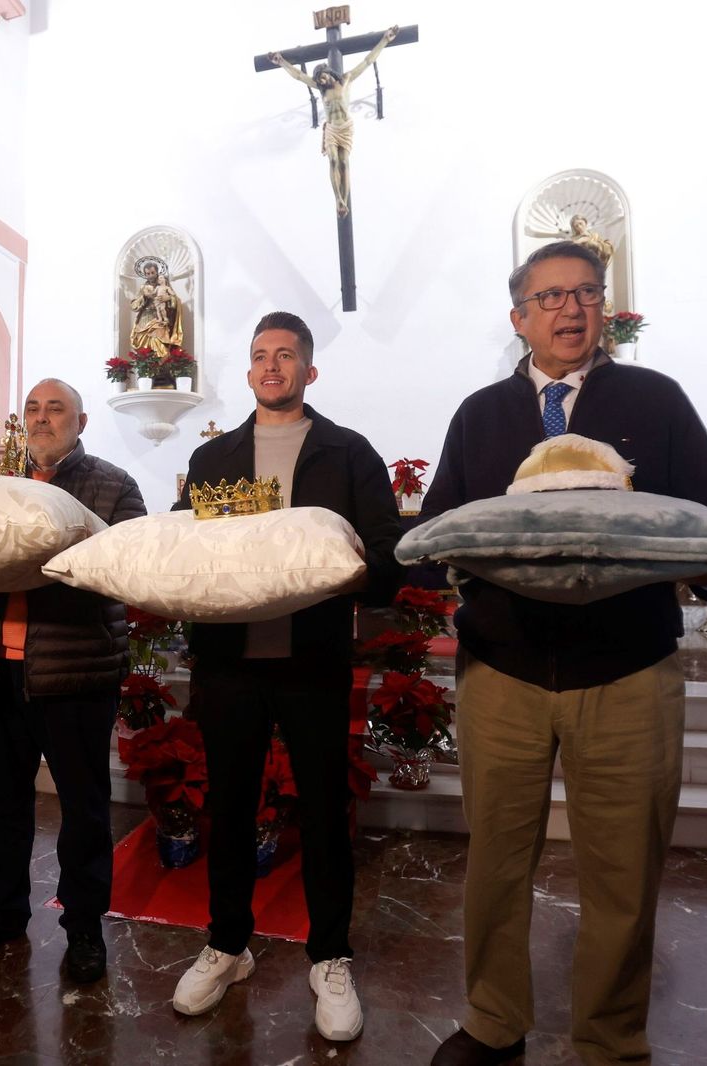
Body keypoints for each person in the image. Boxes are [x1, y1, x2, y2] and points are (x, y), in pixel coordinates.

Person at [423, 241, 707, 1066]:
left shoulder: (656, 399)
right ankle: (494, 1023)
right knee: (496, 862)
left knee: (623, 870)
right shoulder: (479, 415)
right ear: (520, 317)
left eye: (587, 293)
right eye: (552, 297)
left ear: (605, 307)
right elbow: (440, 526)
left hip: (629, 670)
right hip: (503, 671)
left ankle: (608, 1040)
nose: (572, 310)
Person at [169, 311, 403, 1042]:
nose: (273, 367)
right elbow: (184, 548)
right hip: (230, 665)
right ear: (248, 373)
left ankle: (330, 957)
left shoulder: (347, 452)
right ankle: (227, 944)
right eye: (261, 356)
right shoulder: (214, 461)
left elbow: (387, 551)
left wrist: (344, 570)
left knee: (325, 812)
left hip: (313, 662)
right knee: (231, 808)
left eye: (287, 356)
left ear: (309, 370)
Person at [0, 378, 146, 984]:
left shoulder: (113, 484)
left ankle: (83, 928)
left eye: (56, 409)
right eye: (33, 408)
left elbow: (128, 566)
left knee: (82, 812)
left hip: (74, 673)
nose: (42, 418)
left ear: (81, 422)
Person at [269, 25, 400, 217]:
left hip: (345, 128)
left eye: (322, 78)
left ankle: (345, 201)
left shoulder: (346, 79)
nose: (321, 82)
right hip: (331, 129)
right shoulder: (320, 88)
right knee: (332, 160)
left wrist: (385, 39)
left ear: (328, 72)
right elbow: (298, 76)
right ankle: (338, 199)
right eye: (319, 82)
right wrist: (281, 61)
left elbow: (368, 60)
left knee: (344, 163)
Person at [128, 259, 185, 356]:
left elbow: (176, 300)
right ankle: (148, 366)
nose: (150, 275)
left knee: (158, 342)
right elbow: (133, 305)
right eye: (147, 273)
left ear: (157, 272)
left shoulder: (164, 284)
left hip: (160, 319)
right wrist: (144, 297)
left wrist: (168, 298)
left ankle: (160, 367)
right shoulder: (143, 288)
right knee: (145, 347)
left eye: (152, 272)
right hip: (145, 320)